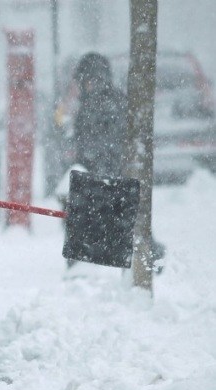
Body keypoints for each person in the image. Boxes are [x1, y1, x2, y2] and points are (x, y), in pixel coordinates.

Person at [70, 53, 165, 270]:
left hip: (107, 177)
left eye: (87, 81)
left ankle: (146, 258)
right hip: (110, 175)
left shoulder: (102, 105)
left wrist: (98, 171)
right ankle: (147, 255)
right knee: (121, 223)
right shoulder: (111, 101)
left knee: (114, 226)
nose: (85, 87)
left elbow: (104, 145)